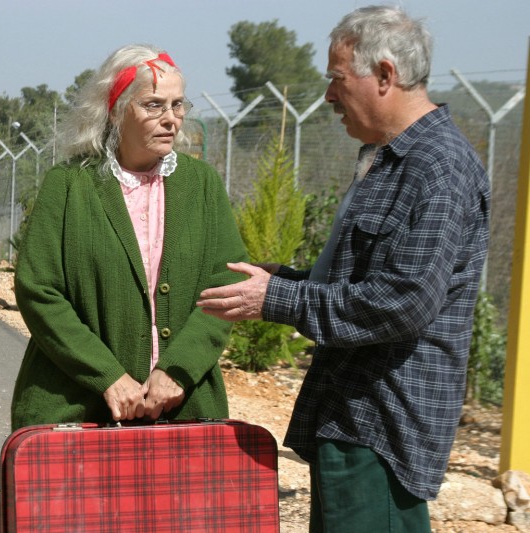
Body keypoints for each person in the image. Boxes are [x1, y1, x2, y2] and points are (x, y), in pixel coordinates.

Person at [197, 6, 490, 532]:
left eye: (336, 79)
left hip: (382, 428)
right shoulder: (387, 158)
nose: (329, 96)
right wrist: (278, 279)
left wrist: (277, 299)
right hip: (353, 420)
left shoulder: (437, 167)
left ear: (385, 75)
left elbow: (402, 302)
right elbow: (360, 283)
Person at [10, 44, 248, 430]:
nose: (171, 119)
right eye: (153, 105)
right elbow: (39, 290)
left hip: (183, 408)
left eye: (177, 105)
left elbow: (226, 283)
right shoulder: (69, 185)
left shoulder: (201, 185)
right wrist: (108, 377)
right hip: (76, 410)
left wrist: (178, 371)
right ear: (117, 110)